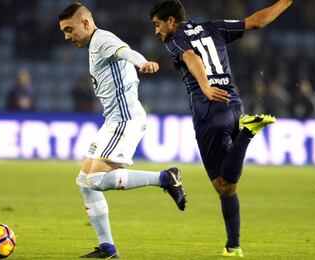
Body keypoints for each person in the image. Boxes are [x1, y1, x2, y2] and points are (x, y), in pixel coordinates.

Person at [149, 0, 293, 257]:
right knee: (227, 187)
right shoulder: (213, 27)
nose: (156, 31)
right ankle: (233, 246)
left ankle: (248, 133)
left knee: (221, 183)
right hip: (234, 104)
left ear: (171, 21)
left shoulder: (175, 39)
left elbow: (191, 57)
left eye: (157, 24)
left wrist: (204, 87)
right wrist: (286, 2)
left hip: (209, 109)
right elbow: (257, 21)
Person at [58, 2, 186, 258]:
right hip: (112, 122)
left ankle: (165, 178)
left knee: (95, 180)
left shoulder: (102, 39)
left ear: (85, 23)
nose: (66, 36)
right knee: (84, 182)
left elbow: (126, 52)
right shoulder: (94, 44)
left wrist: (143, 63)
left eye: (69, 30)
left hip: (125, 121)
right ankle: (107, 248)